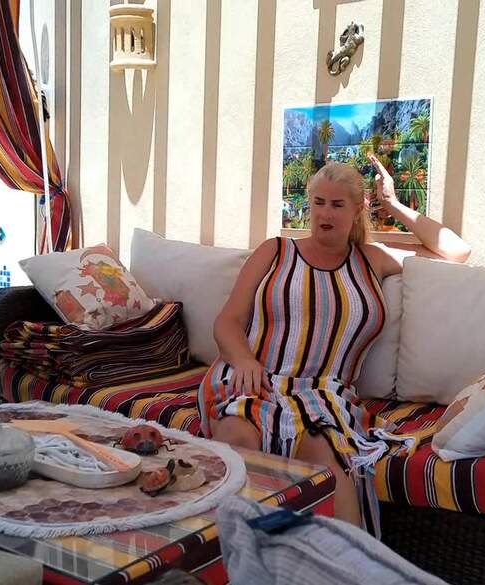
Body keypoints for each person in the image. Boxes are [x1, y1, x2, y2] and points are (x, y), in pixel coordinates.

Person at [197, 154, 471, 535]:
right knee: (238, 442)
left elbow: (457, 252)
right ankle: (230, 552)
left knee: (326, 468)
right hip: (256, 379)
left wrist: (393, 204)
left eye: (337, 205)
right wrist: (243, 360)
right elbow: (227, 322)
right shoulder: (275, 251)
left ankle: (345, 561)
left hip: (324, 397)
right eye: (318, 202)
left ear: (357, 210)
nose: (325, 213)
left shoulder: (373, 260)